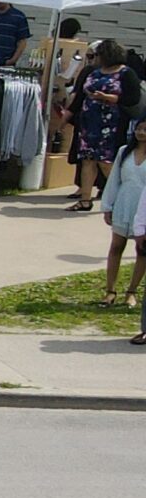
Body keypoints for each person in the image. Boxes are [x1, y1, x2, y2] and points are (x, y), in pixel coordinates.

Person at [67, 40, 141, 213]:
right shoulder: (93, 72)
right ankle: (85, 199)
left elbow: (132, 99)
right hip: (89, 123)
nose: (95, 58)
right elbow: (79, 97)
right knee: (87, 160)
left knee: (106, 163)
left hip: (111, 124)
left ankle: (122, 198)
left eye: (98, 55)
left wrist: (109, 97)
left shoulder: (126, 73)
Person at [98, 118, 146, 317]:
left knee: (141, 249)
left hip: (143, 207)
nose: (141, 132)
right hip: (123, 203)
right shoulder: (124, 151)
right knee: (116, 246)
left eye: (145, 129)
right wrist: (107, 206)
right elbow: (114, 181)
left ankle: (132, 291)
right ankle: (110, 290)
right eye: (139, 128)